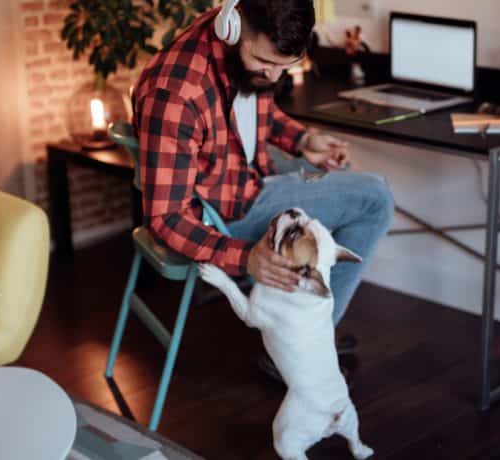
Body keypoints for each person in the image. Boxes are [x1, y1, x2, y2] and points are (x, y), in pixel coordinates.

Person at [132, 0, 393, 380]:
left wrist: (303, 140)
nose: (273, 76)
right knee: (375, 198)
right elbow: (165, 217)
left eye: (284, 66)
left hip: (245, 171)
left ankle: (293, 324)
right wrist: (244, 258)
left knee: (344, 173)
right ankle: (303, 345)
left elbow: (255, 108)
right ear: (232, 26)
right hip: (225, 211)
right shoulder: (175, 93)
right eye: (264, 63)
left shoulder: (239, 48)